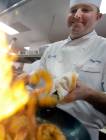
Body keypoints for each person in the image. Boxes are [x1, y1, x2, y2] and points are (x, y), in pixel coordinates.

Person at [30, 0, 106, 139]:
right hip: (41, 124)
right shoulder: (51, 49)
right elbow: (39, 88)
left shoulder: (104, 48)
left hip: (82, 133)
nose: (77, 15)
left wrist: (88, 94)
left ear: (98, 17)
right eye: (73, 10)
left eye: (85, 10)